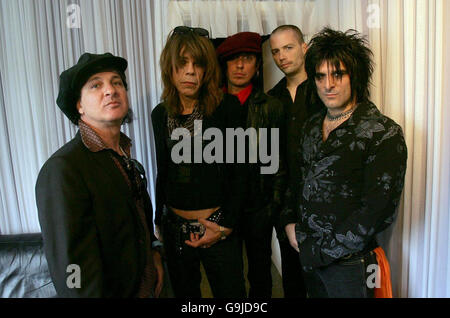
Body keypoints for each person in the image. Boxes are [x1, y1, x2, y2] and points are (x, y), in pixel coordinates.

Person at [282, 27, 407, 298]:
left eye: (338, 74)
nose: (328, 84)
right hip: (309, 257)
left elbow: (378, 210)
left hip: (351, 265)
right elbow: (297, 180)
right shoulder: (312, 126)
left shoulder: (382, 132)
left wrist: (320, 250)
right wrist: (290, 223)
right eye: (321, 76)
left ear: (356, 76)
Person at [35, 52, 164, 297]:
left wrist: (155, 251)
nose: (110, 90)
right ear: (79, 105)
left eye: (117, 82)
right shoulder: (64, 169)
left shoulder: (126, 158)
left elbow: (139, 223)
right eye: (96, 85)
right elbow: (71, 272)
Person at [151, 26, 246, 298]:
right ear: (170, 68)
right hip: (175, 227)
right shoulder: (160, 114)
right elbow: (163, 169)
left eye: (198, 64)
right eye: (182, 63)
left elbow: (242, 171)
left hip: (218, 225)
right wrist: (159, 217)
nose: (190, 71)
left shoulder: (227, 108)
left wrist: (226, 225)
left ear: (207, 70)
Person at [216, 32, 285, 298]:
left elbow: (277, 163)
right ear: (225, 65)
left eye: (247, 59)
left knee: (259, 274)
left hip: (259, 207)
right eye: (234, 60)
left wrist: (272, 205)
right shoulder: (211, 106)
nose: (240, 66)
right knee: (227, 276)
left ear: (257, 66)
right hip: (222, 206)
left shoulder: (271, 107)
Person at [268, 24, 322, 298]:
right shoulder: (270, 101)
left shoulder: (324, 90)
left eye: (288, 47)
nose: (281, 56)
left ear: (304, 47)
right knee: (293, 283)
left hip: (324, 205)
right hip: (285, 207)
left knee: (326, 282)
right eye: (275, 51)